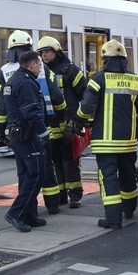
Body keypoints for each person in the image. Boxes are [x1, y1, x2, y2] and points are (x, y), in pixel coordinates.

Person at [76, 39, 138, 229]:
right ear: (124, 59)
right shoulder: (135, 80)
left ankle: (113, 219)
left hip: (105, 142)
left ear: (104, 59)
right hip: (128, 142)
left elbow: (86, 108)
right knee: (127, 175)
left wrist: (79, 121)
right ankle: (129, 210)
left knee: (108, 177)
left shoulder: (98, 79)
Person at [0, 30, 66, 214]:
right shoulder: (41, 66)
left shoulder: (3, 72)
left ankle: (29, 209)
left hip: (18, 129)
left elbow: (1, 106)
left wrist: (1, 130)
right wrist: (61, 116)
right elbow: (57, 96)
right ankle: (53, 204)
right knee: (45, 165)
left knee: (24, 171)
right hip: (43, 123)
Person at [2, 51, 50, 233]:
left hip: (18, 135)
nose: (40, 68)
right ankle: (16, 213)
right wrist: (43, 133)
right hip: (27, 135)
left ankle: (29, 214)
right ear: (31, 64)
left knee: (25, 175)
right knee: (37, 173)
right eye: (39, 65)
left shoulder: (15, 79)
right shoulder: (25, 83)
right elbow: (31, 112)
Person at [37, 36, 87, 208]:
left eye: (47, 51)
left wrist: (76, 122)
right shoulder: (39, 73)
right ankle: (61, 196)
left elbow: (85, 96)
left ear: (56, 52)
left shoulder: (70, 71)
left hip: (68, 125)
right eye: (42, 52)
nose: (44, 55)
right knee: (55, 162)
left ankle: (75, 195)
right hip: (49, 126)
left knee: (70, 161)